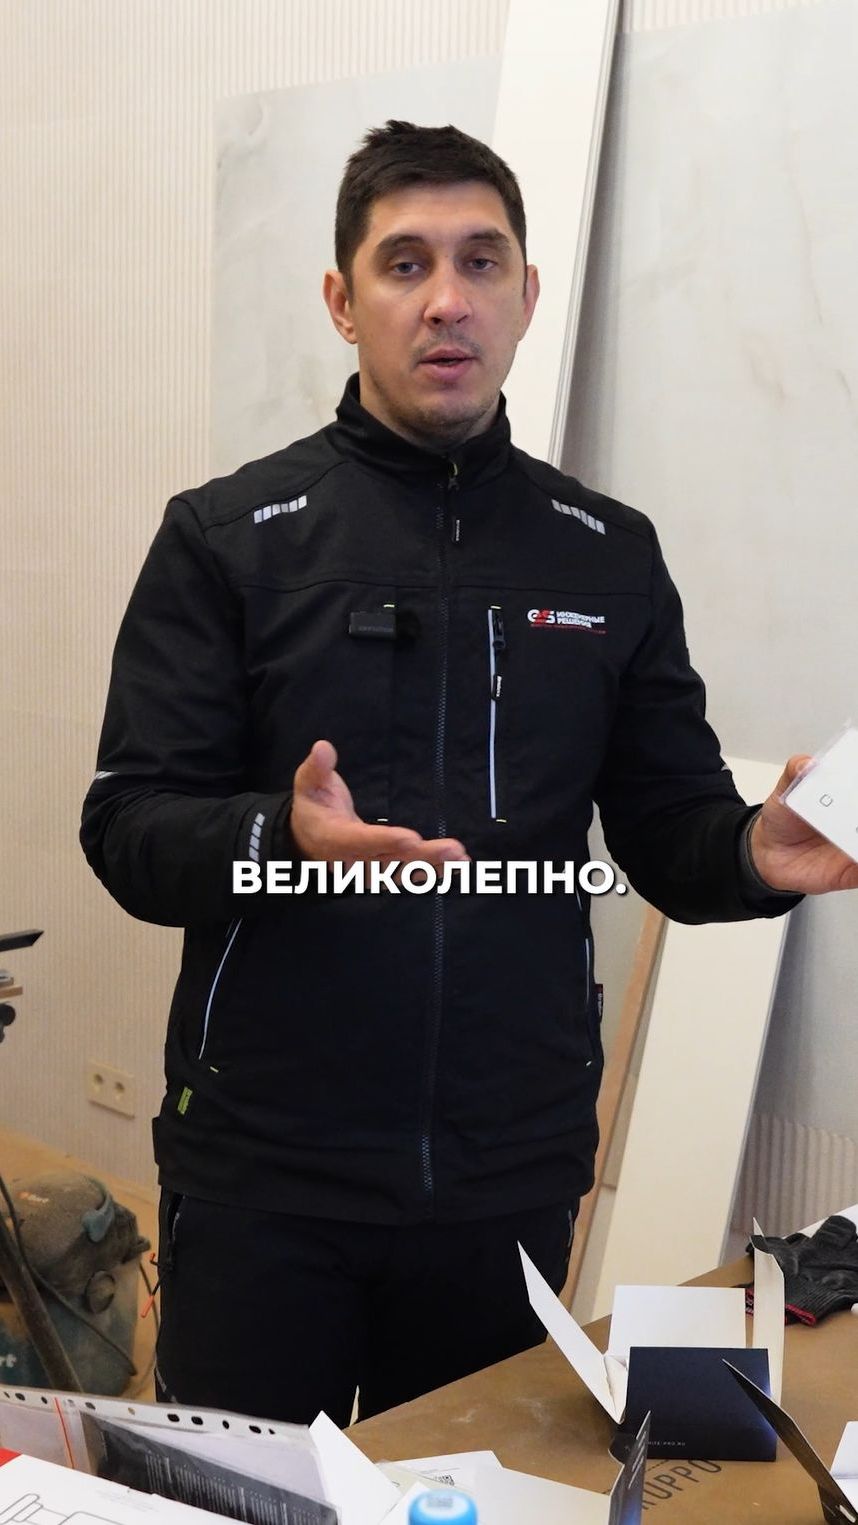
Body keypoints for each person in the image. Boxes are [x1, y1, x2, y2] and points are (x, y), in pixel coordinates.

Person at [80, 121, 857, 1427]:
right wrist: (278, 836)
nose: (447, 298)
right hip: (266, 1169)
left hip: (508, 1172)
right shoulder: (227, 540)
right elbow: (128, 825)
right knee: (253, 1503)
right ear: (343, 302)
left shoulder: (605, 553)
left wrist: (750, 855)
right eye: (404, 263)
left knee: (468, 1491)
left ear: (526, 294)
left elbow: (668, 826)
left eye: (481, 261)